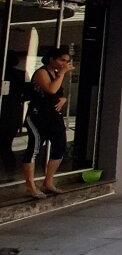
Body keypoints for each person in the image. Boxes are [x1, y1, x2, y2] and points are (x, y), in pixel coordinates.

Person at [21, 46, 72, 199]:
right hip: (38, 116)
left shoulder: (56, 73)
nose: (64, 64)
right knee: (34, 148)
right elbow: (51, 90)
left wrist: (63, 99)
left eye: (67, 61)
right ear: (52, 59)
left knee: (59, 146)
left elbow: (59, 93)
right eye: (61, 60)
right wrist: (62, 74)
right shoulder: (41, 72)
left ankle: (48, 182)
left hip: (54, 116)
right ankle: (30, 185)